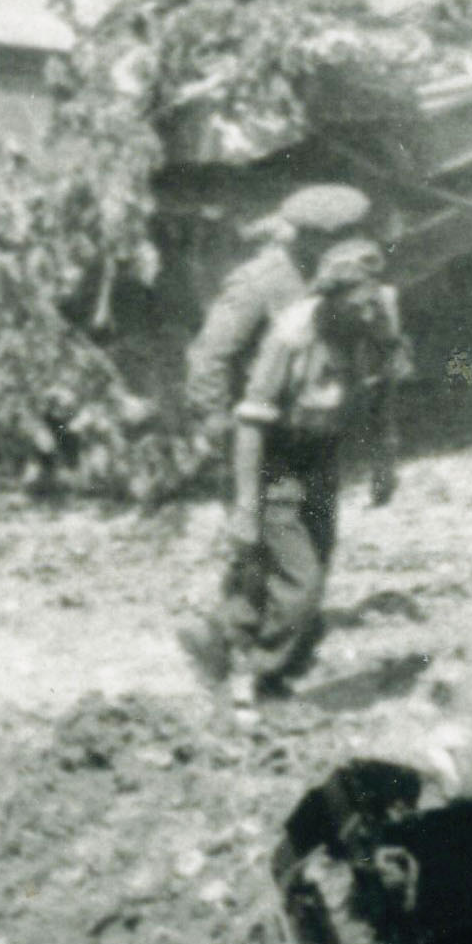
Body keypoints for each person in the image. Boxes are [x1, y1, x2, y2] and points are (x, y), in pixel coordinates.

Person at [209, 234, 403, 702]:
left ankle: (235, 642)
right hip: (275, 462)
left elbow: (381, 391)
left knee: (304, 563)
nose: (366, 312)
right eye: (356, 303)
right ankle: (259, 676)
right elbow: (252, 423)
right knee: (301, 582)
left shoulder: (373, 326)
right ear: (328, 299)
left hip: (321, 458)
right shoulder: (291, 337)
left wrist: (384, 460)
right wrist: (245, 508)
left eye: (371, 300)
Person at [181, 187, 378, 443]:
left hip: (319, 417)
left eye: (355, 234)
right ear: (307, 237)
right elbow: (211, 353)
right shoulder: (260, 282)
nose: (351, 246)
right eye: (339, 238)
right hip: (268, 424)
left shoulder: (350, 273)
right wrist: (214, 417)